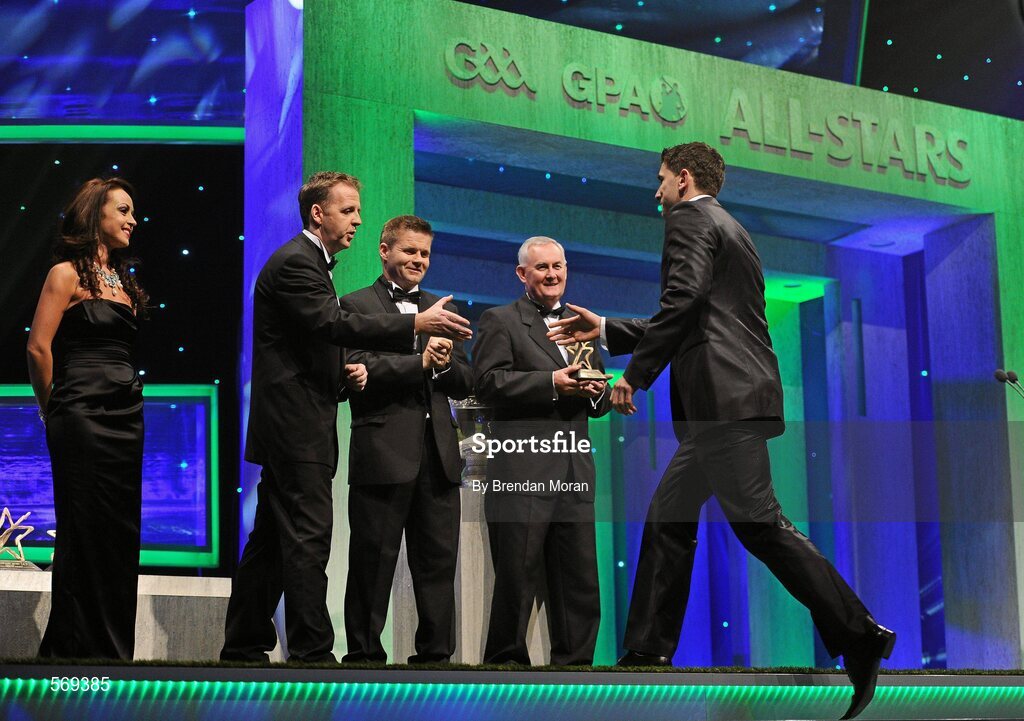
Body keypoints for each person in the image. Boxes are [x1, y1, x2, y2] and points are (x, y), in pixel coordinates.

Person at [548, 143, 894, 719]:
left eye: (661, 179)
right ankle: (648, 651)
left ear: (684, 179)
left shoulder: (687, 219)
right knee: (670, 517)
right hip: (731, 398)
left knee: (760, 525)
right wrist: (607, 328)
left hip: (722, 402)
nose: (656, 191)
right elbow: (703, 314)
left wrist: (633, 375)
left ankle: (859, 632)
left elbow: (683, 303)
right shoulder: (730, 225)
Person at [220, 172, 472, 663]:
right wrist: (415, 325)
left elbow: (310, 344)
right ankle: (312, 651)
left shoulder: (313, 262)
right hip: (296, 428)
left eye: (357, 211)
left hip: (302, 424)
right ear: (319, 213)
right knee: (308, 540)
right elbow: (331, 324)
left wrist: (343, 377)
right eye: (349, 210)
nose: (357, 219)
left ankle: (245, 643)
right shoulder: (298, 261)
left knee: (273, 540)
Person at [338, 215, 473, 664]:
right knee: (372, 562)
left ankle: (436, 657)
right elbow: (359, 368)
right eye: (410, 251)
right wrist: (421, 362)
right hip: (383, 452)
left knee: (438, 563)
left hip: (439, 456)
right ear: (384, 251)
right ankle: (363, 656)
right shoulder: (355, 304)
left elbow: (467, 380)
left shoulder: (442, 307)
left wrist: (446, 362)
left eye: (425, 253)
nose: (419, 260)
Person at [473, 236, 611, 665]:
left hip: (574, 470)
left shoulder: (580, 324)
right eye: (542, 268)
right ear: (522, 274)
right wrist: (552, 383)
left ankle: (576, 671)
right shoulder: (500, 320)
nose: (552, 275)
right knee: (517, 579)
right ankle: (506, 670)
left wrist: (597, 390)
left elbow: (598, 400)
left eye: (558, 266)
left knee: (580, 583)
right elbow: (487, 383)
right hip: (523, 470)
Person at [28, 177, 147, 659]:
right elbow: (38, 348)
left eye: (133, 212)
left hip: (126, 415)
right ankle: (73, 651)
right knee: (83, 529)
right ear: (96, 214)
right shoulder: (64, 274)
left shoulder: (125, 282)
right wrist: (51, 407)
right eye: (123, 210)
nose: (133, 220)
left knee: (120, 531)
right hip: (79, 412)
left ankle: (113, 652)